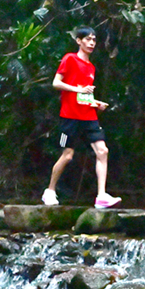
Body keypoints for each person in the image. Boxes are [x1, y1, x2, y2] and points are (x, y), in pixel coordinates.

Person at [42, 26, 122, 209]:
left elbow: (85, 95)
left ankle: (101, 196)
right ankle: (50, 191)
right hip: (69, 117)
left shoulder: (91, 67)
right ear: (79, 41)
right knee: (67, 155)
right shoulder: (70, 59)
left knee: (103, 151)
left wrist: (96, 103)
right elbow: (56, 83)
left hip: (88, 116)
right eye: (87, 39)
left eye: (94, 40)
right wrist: (78, 89)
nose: (91, 43)